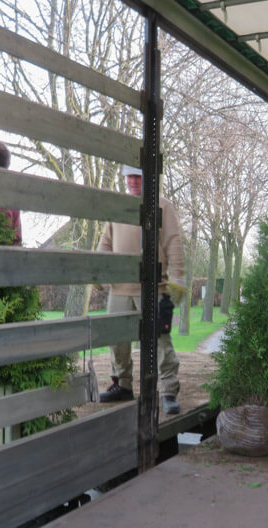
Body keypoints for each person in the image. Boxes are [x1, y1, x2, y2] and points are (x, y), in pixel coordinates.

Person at [97, 165, 186, 415]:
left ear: (148, 177)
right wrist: (98, 272)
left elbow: (173, 242)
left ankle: (168, 391)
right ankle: (122, 385)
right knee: (117, 341)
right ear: (124, 178)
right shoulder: (117, 205)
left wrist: (177, 277)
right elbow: (105, 241)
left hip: (153, 287)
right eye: (129, 176)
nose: (133, 181)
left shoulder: (163, 206)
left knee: (159, 342)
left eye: (139, 175)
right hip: (119, 289)